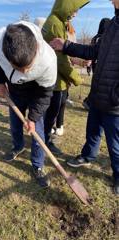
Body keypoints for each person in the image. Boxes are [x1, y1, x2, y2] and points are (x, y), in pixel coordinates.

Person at [50, 0, 119, 195]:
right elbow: (93, 52)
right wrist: (66, 45)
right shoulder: (113, 24)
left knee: (115, 144)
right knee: (93, 132)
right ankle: (88, 156)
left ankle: (118, 175)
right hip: (98, 95)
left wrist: (116, 96)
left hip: (115, 103)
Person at [0, 21, 57, 188]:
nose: (26, 72)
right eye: (20, 68)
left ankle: (38, 164)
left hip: (37, 91)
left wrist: (33, 118)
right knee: (15, 122)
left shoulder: (48, 61)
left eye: (28, 67)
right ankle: (17, 146)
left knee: (37, 131)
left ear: (36, 49)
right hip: (15, 90)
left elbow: (45, 94)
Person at [42, 0, 88, 152]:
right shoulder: (55, 23)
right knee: (50, 112)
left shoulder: (58, 22)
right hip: (54, 79)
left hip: (58, 79)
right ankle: (44, 141)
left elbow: (64, 52)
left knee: (54, 110)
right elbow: (60, 60)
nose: (75, 13)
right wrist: (76, 78)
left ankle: (45, 137)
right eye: (74, 9)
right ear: (66, 6)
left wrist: (80, 61)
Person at [82, 18, 110, 111]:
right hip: (98, 63)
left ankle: (89, 102)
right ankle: (89, 102)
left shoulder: (96, 37)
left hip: (96, 63)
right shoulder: (100, 38)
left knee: (97, 84)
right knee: (98, 84)